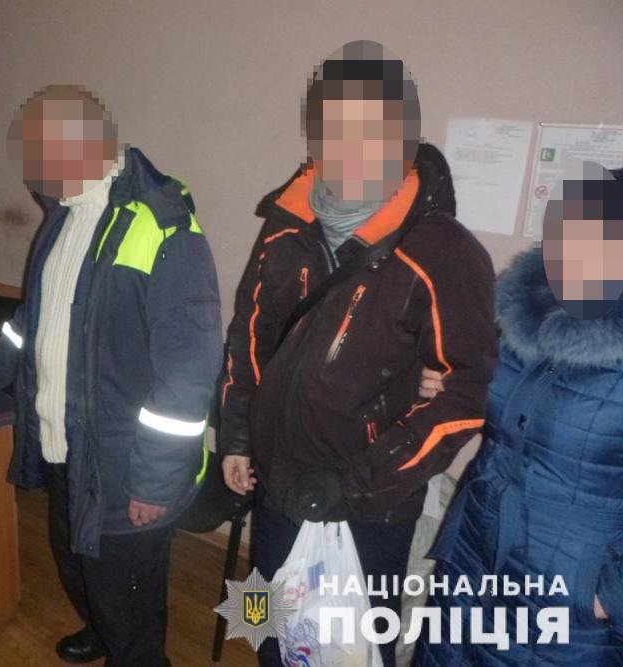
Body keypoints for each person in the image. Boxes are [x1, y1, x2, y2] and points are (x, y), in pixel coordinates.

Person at [217, 41, 498, 666]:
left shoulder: (444, 252)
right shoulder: (285, 222)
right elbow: (249, 334)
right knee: (270, 632)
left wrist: (355, 482)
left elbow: (463, 397)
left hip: (370, 504)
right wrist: (236, 437)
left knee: (351, 651)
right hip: (275, 482)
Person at [0, 85, 222, 666]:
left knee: (127, 598)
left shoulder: (163, 226)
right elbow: (33, 321)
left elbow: (187, 372)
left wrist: (154, 481)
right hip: (68, 445)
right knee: (76, 561)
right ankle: (102, 627)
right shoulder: (63, 217)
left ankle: (130, 649)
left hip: (125, 464)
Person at [415, 163, 623, 664]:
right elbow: (511, 410)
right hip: (473, 550)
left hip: (570, 586)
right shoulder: (528, 314)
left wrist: (609, 595)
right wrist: (453, 385)